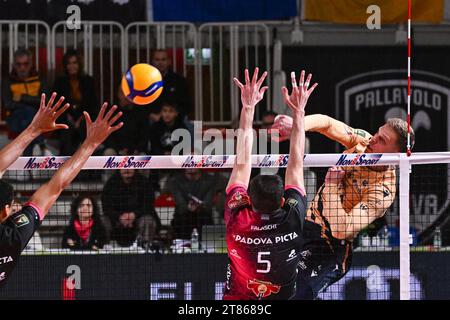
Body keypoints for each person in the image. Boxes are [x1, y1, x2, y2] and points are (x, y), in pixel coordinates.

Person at [272, 111, 415, 299]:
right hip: (305, 227)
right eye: (377, 133)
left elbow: (342, 229)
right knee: (271, 283)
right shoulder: (363, 141)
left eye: (382, 139)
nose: (373, 139)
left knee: (297, 293)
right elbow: (327, 124)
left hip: (331, 247)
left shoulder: (382, 191)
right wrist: (298, 125)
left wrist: (331, 185)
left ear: (396, 154)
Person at [0, 93, 123, 287]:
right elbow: (56, 187)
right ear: (6, 211)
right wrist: (91, 143)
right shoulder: (14, 236)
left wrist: (33, 129)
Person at [222, 69, 317, 300]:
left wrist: (248, 107)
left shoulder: (238, 218)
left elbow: (242, 162)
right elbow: (295, 162)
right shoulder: (292, 217)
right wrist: (299, 112)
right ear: (283, 201)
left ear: (248, 199)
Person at [52, 49, 99, 155]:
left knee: (85, 130)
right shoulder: (60, 82)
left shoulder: (88, 81)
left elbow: (93, 105)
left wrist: (82, 118)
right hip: (65, 119)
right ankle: (65, 167)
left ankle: (88, 169)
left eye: (74, 63)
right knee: (66, 131)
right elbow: (56, 105)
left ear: (79, 64)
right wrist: (69, 119)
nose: (71, 66)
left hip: (85, 120)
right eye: (69, 63)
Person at [2, 49, 48, 155]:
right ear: (14, 65)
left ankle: (27, 169)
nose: (22, 68)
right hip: (15, 118)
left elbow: (45, 102)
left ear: (31, 63)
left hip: (36, 118)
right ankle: (41, 144)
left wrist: (22, 98)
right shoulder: (8, 81)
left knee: (28, 121)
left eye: (25, 64)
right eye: (19, 64)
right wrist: (32, 102)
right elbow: (8, 104)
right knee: (27, 114)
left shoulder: (39, 79)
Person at [101, 169, 161, 248]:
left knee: (148, 220)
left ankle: (145, 248)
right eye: (124, 167)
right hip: (116, 221)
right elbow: (106, 208)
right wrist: (119, 216)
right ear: (119, 169)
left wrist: (134, 215)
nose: (127, 169)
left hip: (139, 218)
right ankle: (103, 248)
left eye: (130, 166)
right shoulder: (110, 183)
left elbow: (149, 206)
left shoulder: (144, 182)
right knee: (102, 221)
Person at [169, 169, 215, 240]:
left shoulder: (210, 180)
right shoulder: (175, 181)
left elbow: (208, 202)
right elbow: (180, 202)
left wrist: (200, 206)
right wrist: (187, 207)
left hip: (203, 217)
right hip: (182, 219)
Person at [103, 87, 149, 156]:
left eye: (128, 93)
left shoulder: (141, 112)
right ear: (118, 94)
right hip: (116, 150)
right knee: (108, 152)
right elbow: (107, 136)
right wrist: (118, 150)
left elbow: (144, 136)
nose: (125, 96)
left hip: (136, 151)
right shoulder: (112, 111)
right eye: (122, 93)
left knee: (143, 156)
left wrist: (136, 150)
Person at [151, 49, 191, 119]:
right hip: (152, 119)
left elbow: (187, 104)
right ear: (153, 62)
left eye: (163, 59)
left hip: (176, 119)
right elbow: (141, 105)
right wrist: (151, 115)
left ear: (169, 62)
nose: (160, 62)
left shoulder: (179, 81)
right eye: (157, 60)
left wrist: (172, 114)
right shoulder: (146, 81)